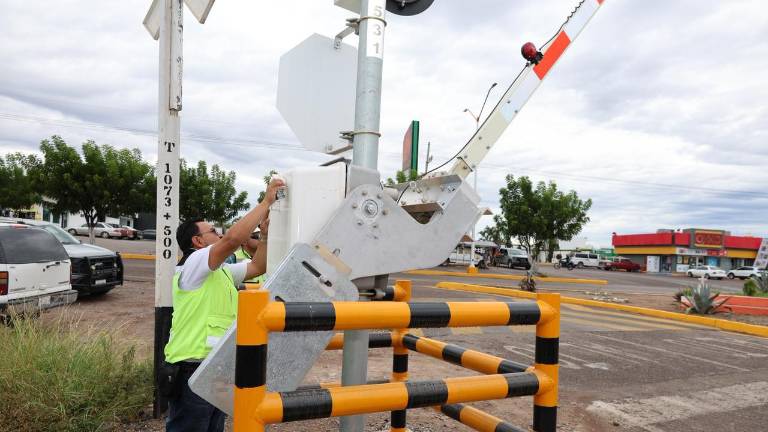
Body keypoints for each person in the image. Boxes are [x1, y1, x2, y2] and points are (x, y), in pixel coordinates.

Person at [163, 178, 284, 432]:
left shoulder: (223, 272)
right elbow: (232, 240)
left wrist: (264, 236)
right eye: (212, 232)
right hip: (191, 369)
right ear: (197, 241)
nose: (218, 235)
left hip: (215, 368)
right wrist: (266, 202)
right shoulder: (194, 264)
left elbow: (258, 266)